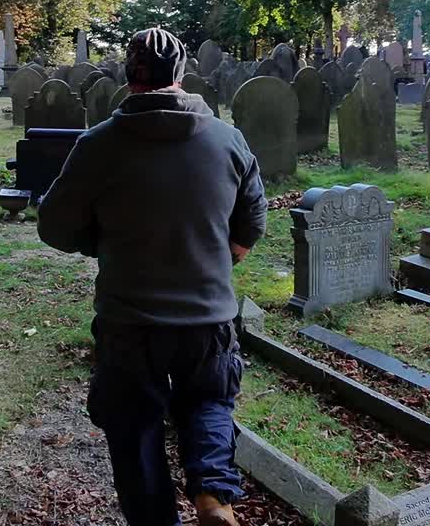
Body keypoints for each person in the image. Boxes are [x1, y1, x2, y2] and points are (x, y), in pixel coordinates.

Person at [38, 27, 268, 526]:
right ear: (181, 74)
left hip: (128, 321)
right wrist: (213, 260)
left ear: (129, 76)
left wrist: (105, 245)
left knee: (135, 425)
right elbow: (252, 222)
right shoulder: (228, 141)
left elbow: (53, 226)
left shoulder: (97, 145)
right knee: (207, 402)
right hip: (207, 320)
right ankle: (212, 496)